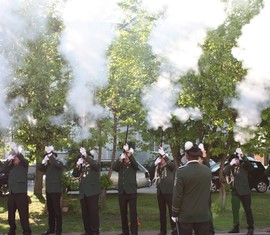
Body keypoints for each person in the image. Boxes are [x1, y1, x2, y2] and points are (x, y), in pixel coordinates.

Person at [171, 141, 211, 235]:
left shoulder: (181, 172)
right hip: (203, 215)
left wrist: (174, 213)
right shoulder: (207, 171)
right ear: (198, 156)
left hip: (186, 216)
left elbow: (177, 196)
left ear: (186, 156)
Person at [2, 143, 32, 235]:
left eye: (16, 158)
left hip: (21, 193)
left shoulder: (24, 164)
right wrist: (8, 160)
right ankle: (12, 230)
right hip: (12, 193)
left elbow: (23, 159)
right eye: (14, 159)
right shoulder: (11, 166)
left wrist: (16, 151)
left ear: (19, 158)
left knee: (23, 214)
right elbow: (3, 169)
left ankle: (26, 231)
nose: (15, 160)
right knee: (11, 214)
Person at [224, 148, 254, 235]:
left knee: (248, 210)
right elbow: (225, 171)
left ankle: (251, 228)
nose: (236, 161)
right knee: (235, 210)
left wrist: (243, 156)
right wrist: (230, 164)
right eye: (234, 159)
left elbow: (251, 167)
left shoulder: (244, 166)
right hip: (235, 192)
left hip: (245, 191)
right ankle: (236, 227)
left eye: (237, 159)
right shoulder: (231, 167)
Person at [72, 147, 101, 235]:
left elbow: (96, 166)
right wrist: (78, 165)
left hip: (92, 192)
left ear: (90, 157)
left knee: (93, 213)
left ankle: (95, 231)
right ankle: (88, 231)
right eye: (83, 158)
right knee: (85, 214)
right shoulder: (83, 167)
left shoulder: (94, 165)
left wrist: (85, 155)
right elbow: (74, 174)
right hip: (83, 193)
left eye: (86, 158)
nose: (84, 160)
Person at [112, 144, 139, 235]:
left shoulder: (133, 166)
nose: (126, 159)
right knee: (123, 214)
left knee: (133, 214)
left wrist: (129, 154)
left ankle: (134, 232)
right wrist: (120, 159)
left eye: (127, 158)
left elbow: (135, 164)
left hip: (131, 192)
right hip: (122, 192)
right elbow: (113, 168)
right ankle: (125, 232)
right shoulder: (121, 165)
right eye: (125, 158)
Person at [149, 146, 176, 235]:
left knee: (172, 212)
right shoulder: (158, 168)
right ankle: (162, 231)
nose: (161, 160)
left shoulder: (169, 166)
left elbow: (172, 166)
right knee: (162, 213)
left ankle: (174, 230)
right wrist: (154, 164)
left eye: (162, 159)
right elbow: (150, 173)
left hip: (169, 192)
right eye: (160, 158)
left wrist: (164, 155)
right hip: (160, 192)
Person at [39, 146, 64, 235]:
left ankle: (58, 230)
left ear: (54, 156)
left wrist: (50, 155)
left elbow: (56, 164)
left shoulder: (58, 163)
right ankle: (51, 229)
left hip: (56, 190)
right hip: (49, 190)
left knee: (57, 211)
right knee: (51, 211)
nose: (49, 158)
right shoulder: (48, 165)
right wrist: (43, 162)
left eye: (50, 156)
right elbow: (40, 168)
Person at [198, 143, 215, 235]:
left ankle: (210, 230)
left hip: (206, 192)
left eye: (200, 158)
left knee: (207, 211)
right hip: (198, 191)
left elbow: (208, 167)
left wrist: (204, 156)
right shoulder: (197, 165)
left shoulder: (206, 166)